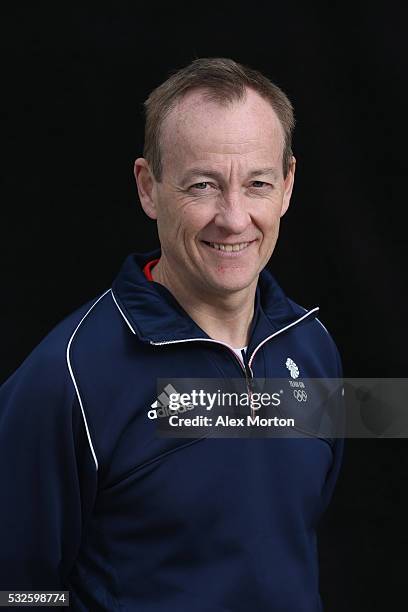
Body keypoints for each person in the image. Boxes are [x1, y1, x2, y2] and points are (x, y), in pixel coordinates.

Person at [0, 58, 343, 611]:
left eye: (257, 184)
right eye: (203, 185)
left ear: (287, 186)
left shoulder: (314, 345)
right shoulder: (67, 377)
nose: (233, 219)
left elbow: (294, 534)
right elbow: (15, 592)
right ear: (148, 187)